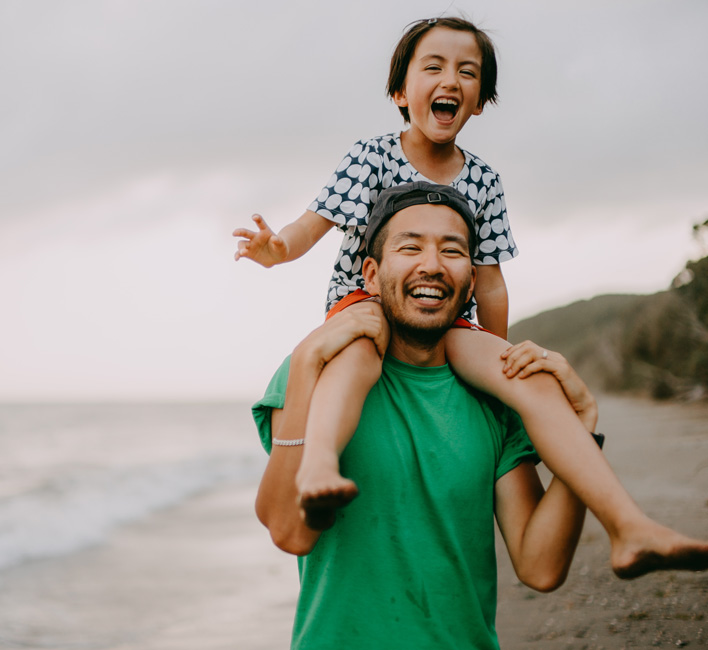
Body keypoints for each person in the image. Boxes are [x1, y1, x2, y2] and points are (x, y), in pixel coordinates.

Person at [235, 17, 704, 578]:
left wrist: (499, 362)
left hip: (450, 316)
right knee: (356, 355)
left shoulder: (484, 180)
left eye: (467, 71)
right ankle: (316, 467)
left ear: (480, 101)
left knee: (530, 381)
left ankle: (629, 525)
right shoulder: (369, 155)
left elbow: (489, 282)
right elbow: (313, 225)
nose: (450, 79)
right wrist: (275, 248)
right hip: (361, 302)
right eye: (432, 67)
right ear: (399, 93)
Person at [251, 187, 708, 649]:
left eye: (451, 250)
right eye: (410, 247)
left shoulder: (495, 398)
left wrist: (583, 427)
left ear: (470, 281)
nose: (431, 264)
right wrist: (307, 364)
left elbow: (541, 565)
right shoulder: (319, 373)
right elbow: (289, 531)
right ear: (370, 274)